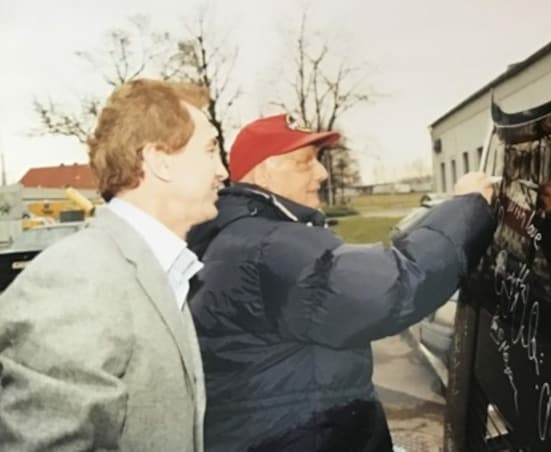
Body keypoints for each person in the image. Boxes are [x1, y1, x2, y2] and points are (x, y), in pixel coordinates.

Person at [187, 113, 497, 452]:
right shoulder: (271, 245)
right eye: (305, 162)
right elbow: (396, 285)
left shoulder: (242, 235)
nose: (321, 173)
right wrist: (468, 207)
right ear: (263, 171)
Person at [0, 79, 228, 450]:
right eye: (210, 150)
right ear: (160, 161)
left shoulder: (161, 270)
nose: (223, 171)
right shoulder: (81, 277)